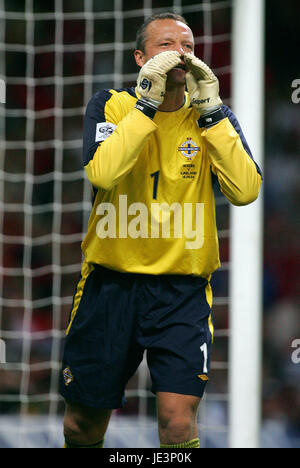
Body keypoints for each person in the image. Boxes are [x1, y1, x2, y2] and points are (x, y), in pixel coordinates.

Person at [59, 12, 262, 449]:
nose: (179, 55)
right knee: (81, 426)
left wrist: (211, 113)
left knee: (176, 423)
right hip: (110, 286)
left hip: (181, 293)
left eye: (187, 47)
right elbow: (104, 174)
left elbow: (246, 191)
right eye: (165, 45)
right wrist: (146, 104)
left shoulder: (213, 117)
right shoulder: (110, 105)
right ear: (140, 58)